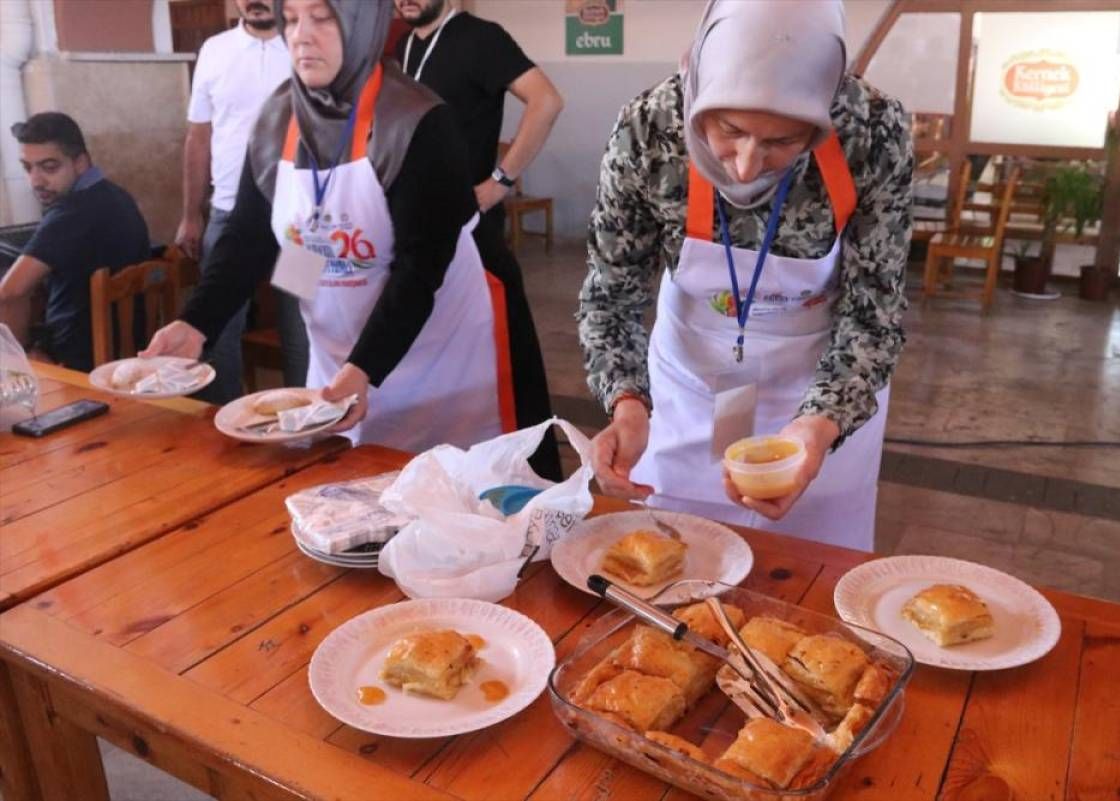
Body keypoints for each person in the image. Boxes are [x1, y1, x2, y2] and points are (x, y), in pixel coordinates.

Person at [580, 0, 912, 550]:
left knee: (811, 570)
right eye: (729, 130)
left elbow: (875, 314)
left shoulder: (872, 133)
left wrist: (818, 427)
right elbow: (610, 295)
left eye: (783, 141)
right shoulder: (649, 130)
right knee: (683, 558)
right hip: (690, 385)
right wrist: (628, 404)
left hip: (818, 387)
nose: (746, 165)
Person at [144, 0, 511, 453]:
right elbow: (249, 237)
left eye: (322, 17)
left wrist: (366, 366)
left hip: (435, 362)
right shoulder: (278, 116)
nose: (301, 35)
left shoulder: (415, 120)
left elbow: (420, 269)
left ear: (362, 23)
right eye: (292, 18)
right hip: (340, 368)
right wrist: (197, 322)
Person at [395, 0, 564, 479]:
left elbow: (547, 100)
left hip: (474, 239)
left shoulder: (480, 36)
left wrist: (498, 183)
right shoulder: (404, 46)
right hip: (422, 239)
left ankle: (533, 489)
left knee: (509, 378)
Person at [176, 0, 307, 403]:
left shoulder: (305, 45)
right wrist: (190, 215)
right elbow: (198, 137)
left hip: (299, 220)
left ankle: (311, 428)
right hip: (228, 212)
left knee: (303, 326)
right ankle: (221, 435)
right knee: (216, 329)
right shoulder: (215, 50)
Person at [0, 112, 149, 371]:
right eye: (28, 168)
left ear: (80, 162)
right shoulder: (117, 195)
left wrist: (24, 354)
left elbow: (10, 292)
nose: (35, 181)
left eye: (49, 167)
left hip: (74, 360)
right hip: (127, 350)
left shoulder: (72, 212)